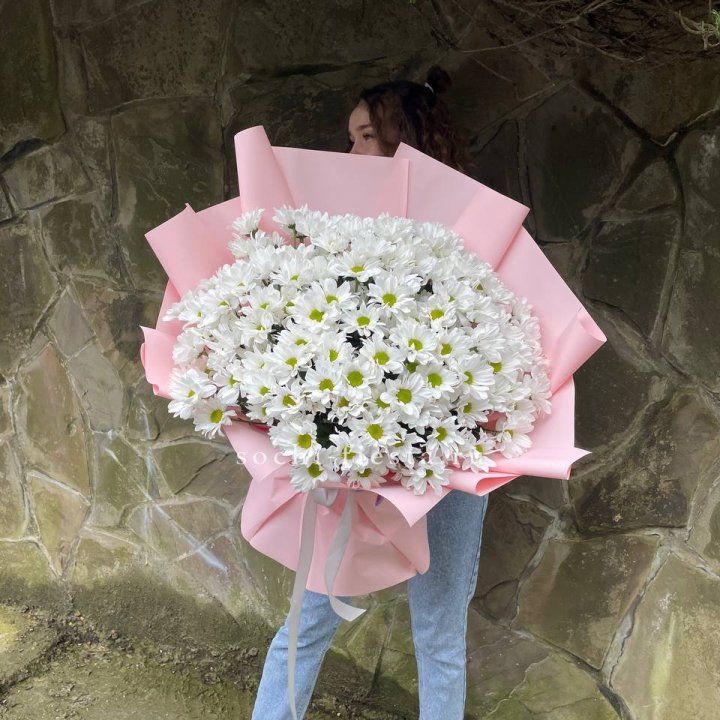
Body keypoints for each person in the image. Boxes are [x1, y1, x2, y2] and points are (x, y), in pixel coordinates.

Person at [250, 65, 489, 720]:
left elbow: (500, 348)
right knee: (309, 617)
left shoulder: (474, 235)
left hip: (453, 461)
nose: (349, 152)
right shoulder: (332, 238)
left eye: (363, 137)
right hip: (354, 459)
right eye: (349, 137)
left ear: (405, 140)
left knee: (439, 631)